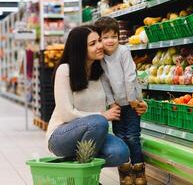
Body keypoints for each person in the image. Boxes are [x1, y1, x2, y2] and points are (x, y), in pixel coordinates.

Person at [46, 25, 133, 176]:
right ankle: (86, 178)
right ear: (80, 49)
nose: (100, 45)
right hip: (61, 136)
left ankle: (79, 166)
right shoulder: (65, 71)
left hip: (93, 135)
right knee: (99, 122)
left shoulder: (99, 72)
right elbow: (66, 114)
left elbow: (119, 94)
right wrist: (102, 115)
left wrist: (138, 102)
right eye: (92, 44)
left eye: (99, 40)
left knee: (120, 152)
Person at [95, 17, 148, 185]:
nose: (110, 41)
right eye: (105, 37)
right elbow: (104, 82)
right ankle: (124, 173)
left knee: (133, 136)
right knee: (120, 137)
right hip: (117, 105)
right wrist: (111, 103)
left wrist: (132, 100)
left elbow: (130, 76)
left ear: (119, 37)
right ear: (99, 39)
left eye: (114, 36)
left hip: (132, 103)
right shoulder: (101, 58)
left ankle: (139, 171)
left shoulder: (124, 51)